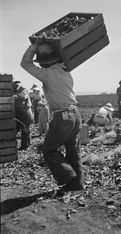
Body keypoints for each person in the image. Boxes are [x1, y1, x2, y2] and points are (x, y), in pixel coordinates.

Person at [21, 38, 84, 194]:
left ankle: (69, 176)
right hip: (75, 115)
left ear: (44, 61)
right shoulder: (65, 70)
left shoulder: (47, 74)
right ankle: (77, 183)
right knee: (73, 150)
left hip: (63, 117)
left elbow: (25, 64)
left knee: (48, 150)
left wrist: (34, 46)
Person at [13, 80, 33, 150]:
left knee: (25, 130)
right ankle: (11, 146)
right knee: (15, 129)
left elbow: (22, 96)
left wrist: (11, 97)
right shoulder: (12, 90)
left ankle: (25, 146)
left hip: (25, 112)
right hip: (17, 113)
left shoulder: (23, 89)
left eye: (15, 83)